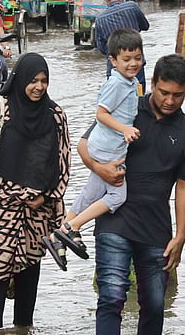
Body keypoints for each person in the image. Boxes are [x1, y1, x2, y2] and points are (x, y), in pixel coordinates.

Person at [78, 54, 185, 335]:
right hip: (114, 217)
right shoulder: (127, 110)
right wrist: (99, 168)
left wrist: (182, 235)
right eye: (164, 92)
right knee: (112, 293)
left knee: (156, 303)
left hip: (156, 227)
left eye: (178, 95)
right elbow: (83, 144)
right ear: (152, 84)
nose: (170, 100)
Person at [0, 54, 70, 327]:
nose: (38, 87)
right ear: (19, 80)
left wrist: (45, 197)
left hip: (36, 210)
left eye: (44, 81)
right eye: (32, 81)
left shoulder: (55, 116)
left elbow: (63, 164)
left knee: (29, 271)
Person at [52, 28, 144, 258]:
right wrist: (125, 129)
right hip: (108, 150)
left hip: (104, 146)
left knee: (92, 192)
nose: (133, 64)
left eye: (137, 58)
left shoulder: (128, 83)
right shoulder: (117, 84)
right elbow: (101, 114)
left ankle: (56, 236)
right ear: (113, 60)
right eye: (126, 59)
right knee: (116, 196)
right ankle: (73, 227)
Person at [92, 0, 150, 85]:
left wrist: (116, 52)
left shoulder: (99, 19)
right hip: (136, 63)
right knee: (139, 96)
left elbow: (101, 47)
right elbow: (145, 26)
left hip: (114, 67)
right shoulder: (132, 7)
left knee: (115, 97)